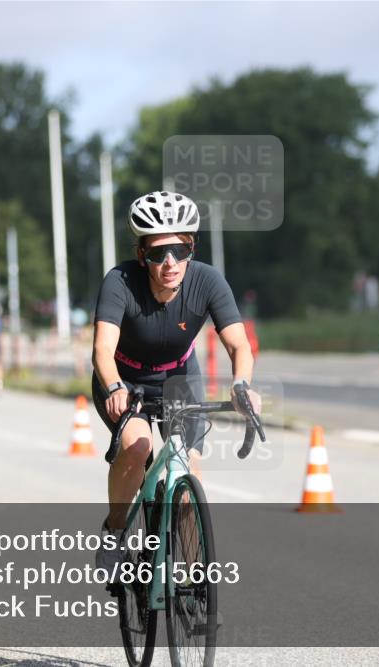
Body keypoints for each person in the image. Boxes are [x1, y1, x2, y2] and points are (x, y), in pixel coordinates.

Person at [91, 190, 261, 574]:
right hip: (125, 379)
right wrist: (115, 387)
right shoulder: (120, 282)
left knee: (187, 473)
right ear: (142, 257)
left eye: (179, 252)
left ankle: (187, 575)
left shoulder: (208, 281)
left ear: (191, 249)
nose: (170, 263)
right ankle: (115, 532)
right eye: (157, 254)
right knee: (138, 446)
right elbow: (102, 349)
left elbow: (239, 345)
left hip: (179, 376)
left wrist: (242, 385)